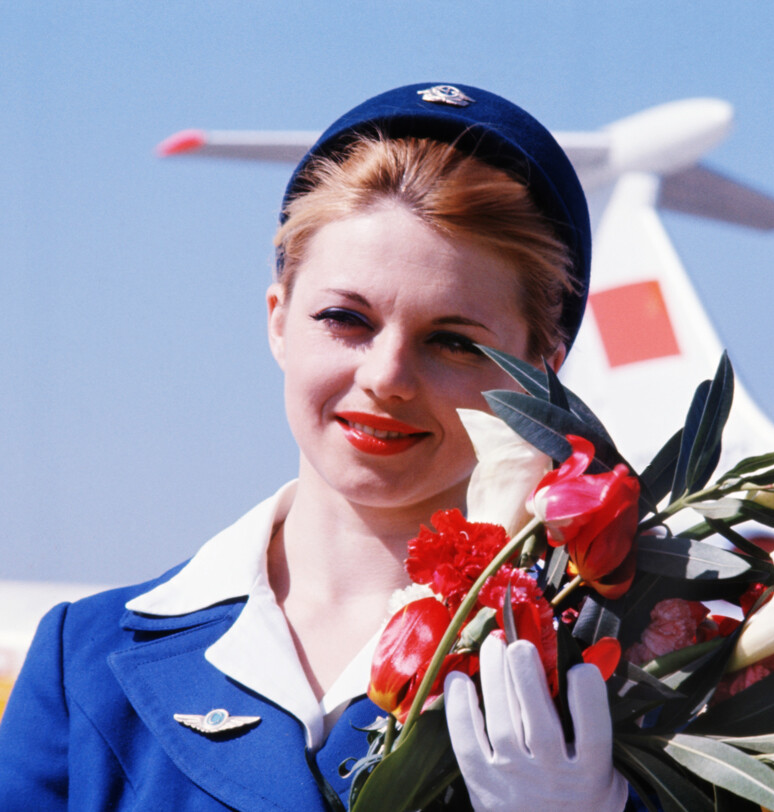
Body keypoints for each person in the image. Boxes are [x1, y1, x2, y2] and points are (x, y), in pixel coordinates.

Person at [0, 83, 627, 811]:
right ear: (278, 320)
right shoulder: (86, 663)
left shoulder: (627, 670)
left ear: (542, 370)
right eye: (345, 319)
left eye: (453, 341)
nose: (387, 377)